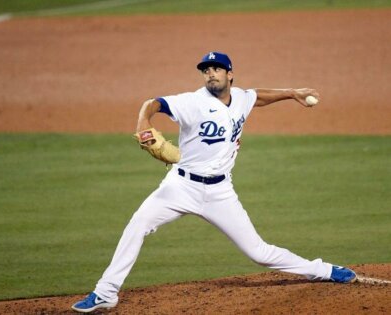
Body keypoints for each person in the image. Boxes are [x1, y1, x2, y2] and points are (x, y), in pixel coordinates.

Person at [72, 52, 357, 313]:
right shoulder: (193, 102)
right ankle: (106, 292)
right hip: (180, 187)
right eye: (206, 70)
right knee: (138, 223)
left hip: (221, 192)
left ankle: (323, 270)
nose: (210, 74)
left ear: (230, 74)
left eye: (217, 69)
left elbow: (257, 97)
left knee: (258, 252)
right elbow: (153, 103)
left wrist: (291, 93)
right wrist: (143, 121)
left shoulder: (241, 98)